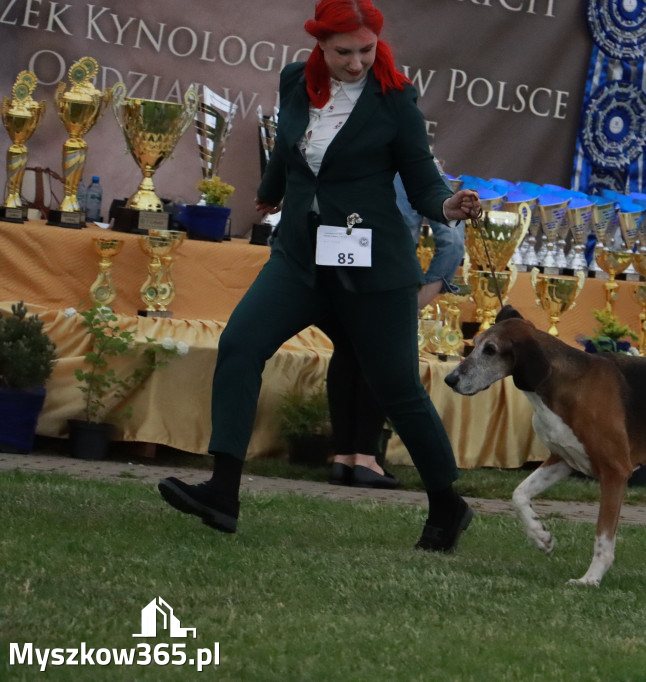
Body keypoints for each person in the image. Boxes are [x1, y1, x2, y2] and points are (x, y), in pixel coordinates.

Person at [157, 0, 481, 553]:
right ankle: (223, 493)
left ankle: (448, 505)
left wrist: (445, 207)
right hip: (303, 256)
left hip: (375, 262)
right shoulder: (293, 81)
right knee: (240, 344)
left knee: (396, 387)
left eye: (365, 49)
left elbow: (420, 173)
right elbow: (290, 147)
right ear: (319, 46)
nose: (357, 62)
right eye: (343, 52)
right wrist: (270, 192)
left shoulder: (396, 96)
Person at [326, 170, 465, 489]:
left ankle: (343, 457)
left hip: (337, 263)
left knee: (347, 352)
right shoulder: (410, 157)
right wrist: (429, 291)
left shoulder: (342, 150)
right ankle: (365, 458)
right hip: (390, 271)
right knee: (381, 362)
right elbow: (452, 240)